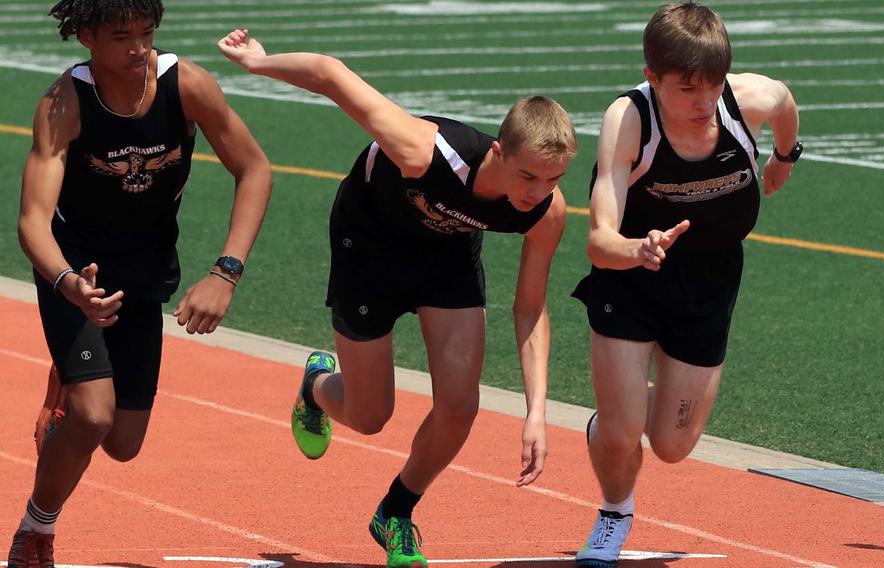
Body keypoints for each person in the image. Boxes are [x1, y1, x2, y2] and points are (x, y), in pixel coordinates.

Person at [218, 29, 576, 568]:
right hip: (370, 248)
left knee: (460, 406)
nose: (536, 190)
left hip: (446, 256)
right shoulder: (423, 150)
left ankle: (396, 513)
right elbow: (331, 75)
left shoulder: (546, 211)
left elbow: (529, 309)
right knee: (369, 416)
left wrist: (536, 412)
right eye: (527, 175)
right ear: (499, 151)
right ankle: (317, 388)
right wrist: (258, 63)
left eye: (553, 179)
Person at [8, 1, 272, 565]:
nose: (138, 47)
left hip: (145, 270)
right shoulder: (63, 104)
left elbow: (255, 169)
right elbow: (32, 219)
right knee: (95, 415)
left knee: (123, 444)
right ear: (85, 38)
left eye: (147, 33)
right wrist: (65, 282)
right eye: (121, 35)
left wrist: (226, 270)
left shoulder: (188, 85)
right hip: (77, 270)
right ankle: (37, 530)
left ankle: (65, 397)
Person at [570, 2, 800, 566]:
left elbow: (786, 101)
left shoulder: (746, 101)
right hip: (631, 276)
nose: (704, 103)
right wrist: (637, 248)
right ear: (652, 77)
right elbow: (598, 240)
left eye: (713, 85)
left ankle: (616, 413)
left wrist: (785, 156)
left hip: (710, 280)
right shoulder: (630, 121)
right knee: (625, 434)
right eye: (687, 88)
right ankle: (614, 509)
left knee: (672, 446)